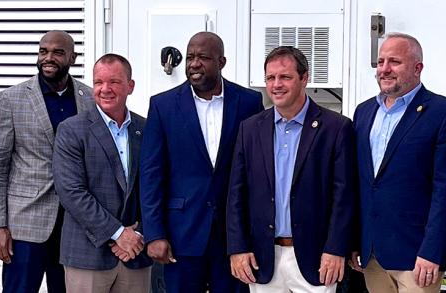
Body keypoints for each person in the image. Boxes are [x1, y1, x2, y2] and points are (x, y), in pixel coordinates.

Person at [139, 31, 264, 293]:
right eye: (190, 57)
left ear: (222, 62)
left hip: (234, 238)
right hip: (180, 236)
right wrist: (154, 233)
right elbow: (151, 174)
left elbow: (257, 169)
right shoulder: (163, 105)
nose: (194, 63)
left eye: (203, 57)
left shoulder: (249, 103)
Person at [226, 46, 357, 293]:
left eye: (285, 77)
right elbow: (236, 195)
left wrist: (336, 249)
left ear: (304, 78)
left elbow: (344, 198)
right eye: (270, 78)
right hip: (263, 259)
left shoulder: (336, 128)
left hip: (317, 259)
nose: (276, 84)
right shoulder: (250, 129)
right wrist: (237, 248)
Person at [348, 33, 446, 293]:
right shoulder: (363, 112)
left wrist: (432, 250)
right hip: (373, 255)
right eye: (380, 61)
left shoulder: (442, 112)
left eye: (394, 62)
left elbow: (443, 190)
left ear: (417, 68)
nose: (384, 69)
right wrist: (354, 241)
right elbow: (359, 184)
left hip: (417, 257)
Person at [0, 30, 93, 293]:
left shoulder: (89, 99)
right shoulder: (12, 99)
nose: (48, 58)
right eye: (43, 51)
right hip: (25, 225)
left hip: (74, 225)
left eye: (57, 52)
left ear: (72, 57)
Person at [53, 53, 152, 293]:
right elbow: (71, 192)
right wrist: (118, 234)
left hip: (135, 254)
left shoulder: (146, 128)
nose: (105, 89)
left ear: (130, 86)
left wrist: (137, 234)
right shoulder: (72, 130)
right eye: (98, 82)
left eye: (114, 82)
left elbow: (156, 188)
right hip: (88, 255)